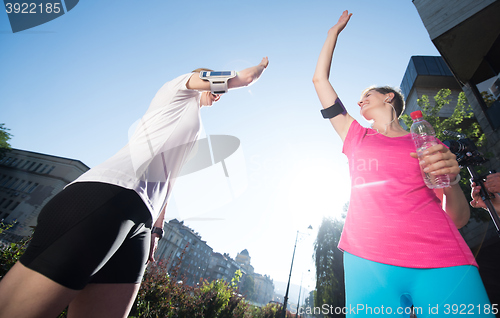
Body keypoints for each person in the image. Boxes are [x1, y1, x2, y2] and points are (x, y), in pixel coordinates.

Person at [0, 57, 269, 318]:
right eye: (211, 84)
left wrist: (156, 230)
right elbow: (238, 79)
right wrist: (254, 71)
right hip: (107, 194)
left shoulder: (193, 126)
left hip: (141, 219)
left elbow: (169, 179)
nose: (217, 94)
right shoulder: (176, 89)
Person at [312, 10, 494, 317]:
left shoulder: (426, 141)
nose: (359, 102)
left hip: (442, 255)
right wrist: (333, 34)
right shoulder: (356, 136)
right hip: (368, 261)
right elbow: (320, 80)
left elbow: (459, 217)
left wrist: (451, 181)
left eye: (367, 95)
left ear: (388, 98)